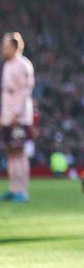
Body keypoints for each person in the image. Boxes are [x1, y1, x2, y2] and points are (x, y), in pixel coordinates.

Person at [1, 32, 36, 202]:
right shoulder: (7, 65)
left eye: (6, 46)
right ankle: (14, 189)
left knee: (20, 153)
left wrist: (17, 113)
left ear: (14, 47)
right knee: (10, 153)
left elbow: (25, 91)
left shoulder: (24, 65)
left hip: (19, 116)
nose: (3, 49)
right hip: (7, 115)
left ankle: (23, 191)